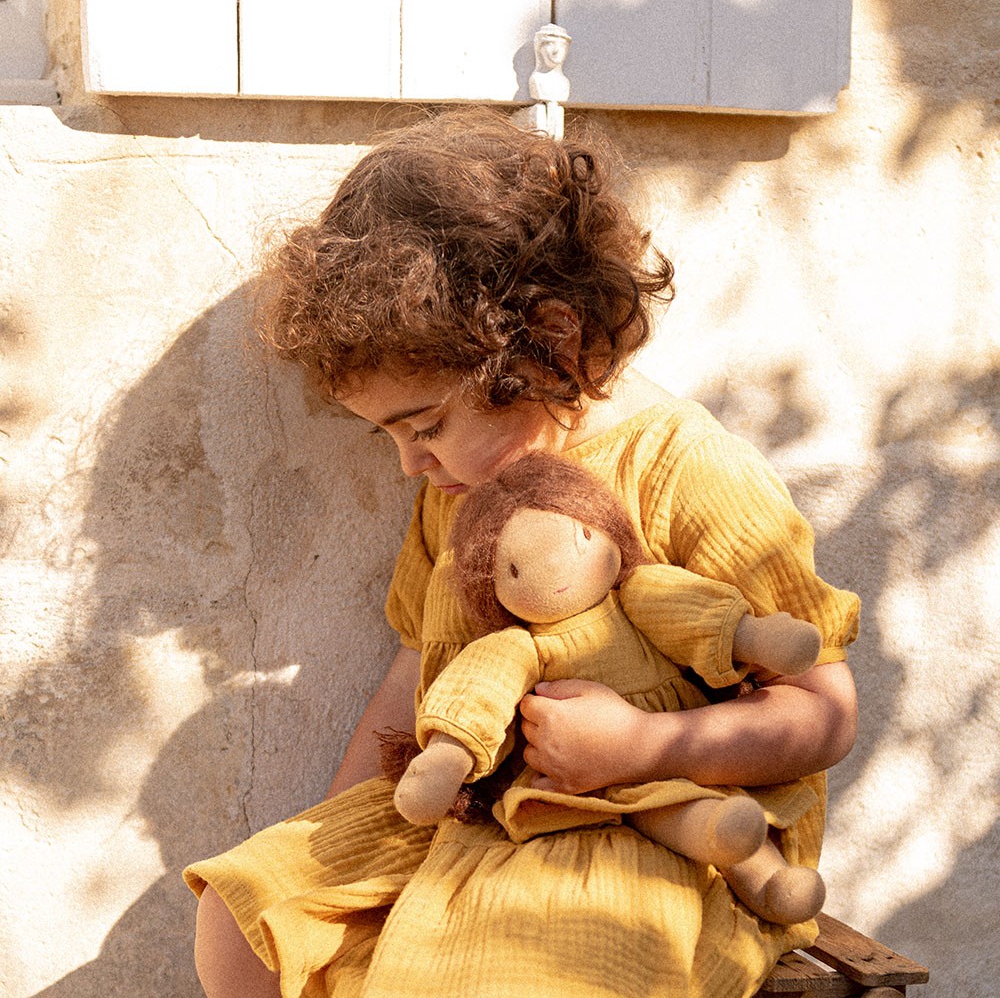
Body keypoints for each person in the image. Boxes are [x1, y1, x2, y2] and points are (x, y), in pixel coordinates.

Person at [185, 108, 860, 998]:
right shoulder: (457, 491)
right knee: (244, 913)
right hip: (482, 804)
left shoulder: (689, 471)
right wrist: (339, 829)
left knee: (514, 970)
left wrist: (646, 746)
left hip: (653, 828)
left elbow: (823, 713)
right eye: (389, 435)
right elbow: (415, 673)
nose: (409, 464)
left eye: (425, 425)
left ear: (553, 341)